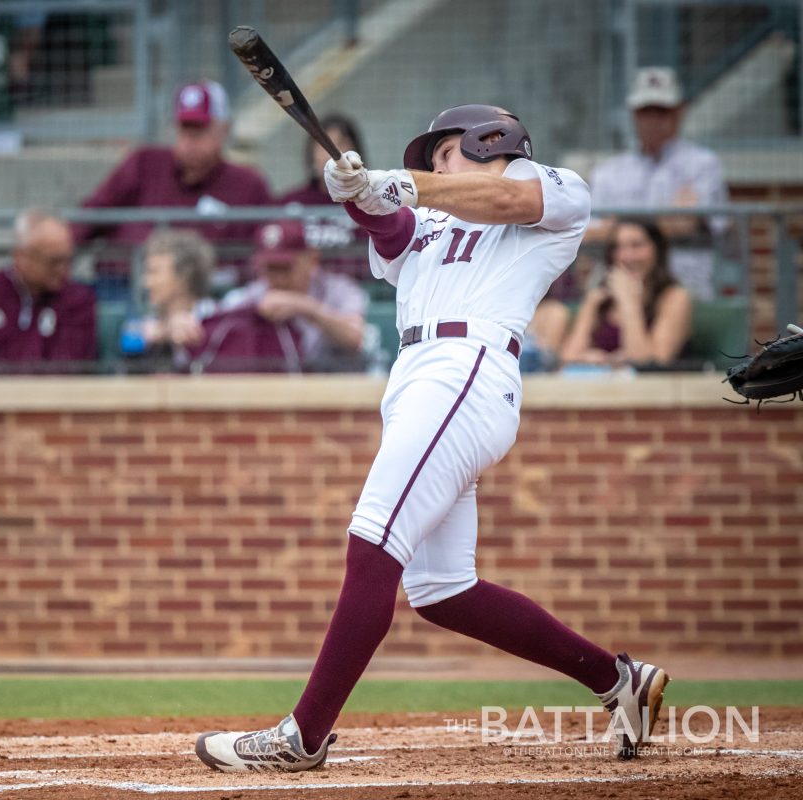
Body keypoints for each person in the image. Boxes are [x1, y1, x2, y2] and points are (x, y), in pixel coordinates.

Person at [195, 105, 669, 773]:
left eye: (438, 154)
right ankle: (618, 680)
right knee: (443, 589)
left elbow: (503, 198)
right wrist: (357, 195)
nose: (427, 167)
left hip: (466, 368)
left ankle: (303, 736)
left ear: (485, 141)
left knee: (372, 540)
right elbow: (392, 235)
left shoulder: (555, 188)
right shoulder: (432, 218)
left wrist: (404, 183)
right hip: (417, 377)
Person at [74, 81, 274, 291]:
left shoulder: (249, 184)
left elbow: (267, 248)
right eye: (183, 129)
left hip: (208, 295)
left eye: (199, 131)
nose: (189, 141)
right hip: (126, 286)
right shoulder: (143, 163)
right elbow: (91, 215)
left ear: (223, 131)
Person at [588, 67, 728, 300]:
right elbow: (589, 234)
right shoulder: (608, 172)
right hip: (621, 288)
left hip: (686, 286)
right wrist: (664, 220)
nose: (653, 120)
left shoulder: (703, 163)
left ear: (679, 112)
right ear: (633, 114)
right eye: (646, 111)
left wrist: (617, 226)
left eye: (662, 111)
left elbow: (686, 224)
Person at [0, 210, 96, 371]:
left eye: (68, 259)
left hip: (50, 395)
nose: (64, 270)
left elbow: (69, 370)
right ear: (21, 256)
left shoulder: (78, 300)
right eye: (54, 261)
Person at [220, 220, 367, 371]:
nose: (278, 278)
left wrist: (305, 306)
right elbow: (215, 322)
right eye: (271, 269)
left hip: (335, 385)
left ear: (312, 259)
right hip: (277, 387)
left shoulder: (340, 289)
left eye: (285, 268)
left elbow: (355, 338)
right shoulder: (256, 293)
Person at [560, 217, 692, 368]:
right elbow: (567, 359)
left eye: (637, 245)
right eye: (617, 247)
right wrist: (594, 359)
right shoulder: (598, 298)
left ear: (657, 249)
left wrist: (628, 301)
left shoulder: (675, 297)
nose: (626, 257)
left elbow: (650, 364)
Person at [278, 114, 369, 276]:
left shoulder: (372, 202)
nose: (332, 154)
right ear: (311, 153)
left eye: (341, 144)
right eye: (323, 145)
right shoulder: (290, 202)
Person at [121, 229, 217, 370]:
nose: (146, 282)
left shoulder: (215, 317)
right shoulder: (145, 323)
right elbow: (128, 341)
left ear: (184, 275)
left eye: (154, 272)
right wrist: (165, 331)